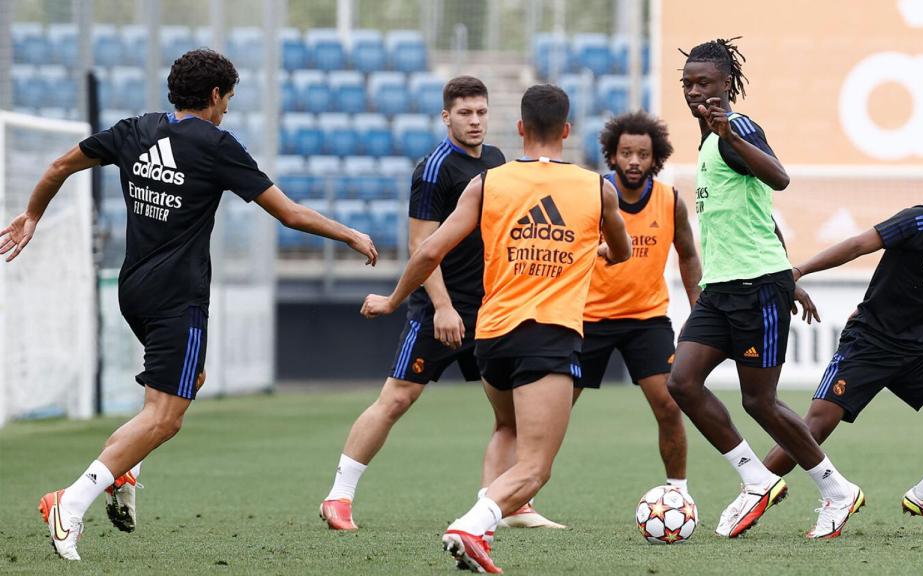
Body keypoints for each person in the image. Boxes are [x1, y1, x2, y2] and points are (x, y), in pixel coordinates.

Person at [2, 49, 376, 561]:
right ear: (216, 95)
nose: (226, 111)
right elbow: (287, 214)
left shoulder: (135, 129)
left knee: (186, 381)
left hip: (133, 289)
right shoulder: (216, 145)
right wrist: (350, 234)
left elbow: (60, 164)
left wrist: (31, 215)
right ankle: (71, 500)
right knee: (166, 416)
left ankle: (126, 471)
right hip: (178, 296)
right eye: (228, 100)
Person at [361, 84, 631, 573]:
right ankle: (472, 523)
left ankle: (482, 531)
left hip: (491, 338)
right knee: (535, 468)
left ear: (521, 129)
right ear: (567, 132)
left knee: (507, 427)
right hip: (548, 337)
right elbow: (625, 251)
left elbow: (428, 251)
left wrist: (394, 300)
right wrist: (594, 249)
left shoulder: (488, 182)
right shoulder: (597, 188)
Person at [319, 76, 562, 532]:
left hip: (491, 310)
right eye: (465, 113)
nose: (475, 121)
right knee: (396, 399)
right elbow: (421, 244)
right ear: (446, 117)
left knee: (509, 413)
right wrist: (444, 307)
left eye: (482, 112)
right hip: (440, 310)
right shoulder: (433, 170)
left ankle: (506, 504)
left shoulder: (494, 160)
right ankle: (339, 497)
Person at [669, 37, 864, 540]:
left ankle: (837, 490)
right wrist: (793, 277)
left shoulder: (737, 129)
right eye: (688, 83)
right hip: (721, 287)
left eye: (705, 83)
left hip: (756, 288)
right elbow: (763, 212)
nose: (695, 91)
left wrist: (730, 134)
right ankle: (756, 479)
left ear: (728, 85)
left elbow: (779, 179)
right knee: (682, 382)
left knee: (760, 401)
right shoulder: (710, 140)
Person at [761, 164, 923, 534]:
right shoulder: (919, 221)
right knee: (814, 427)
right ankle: (754, 490)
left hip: (918, 353)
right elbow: (860, 244)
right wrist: (798, 271)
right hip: (870, 343)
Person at [573, 111, 701, 493]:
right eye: (626, 153)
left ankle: (677, 492)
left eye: (642, 154)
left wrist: (699, 312)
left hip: (646, 320)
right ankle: (521, 498)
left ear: (655, 158)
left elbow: (689, 256)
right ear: (612, 155)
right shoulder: (591, 195)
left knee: (669, 406)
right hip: (588, 318)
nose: (633, 161)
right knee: (551, 412)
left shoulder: (670, 201)